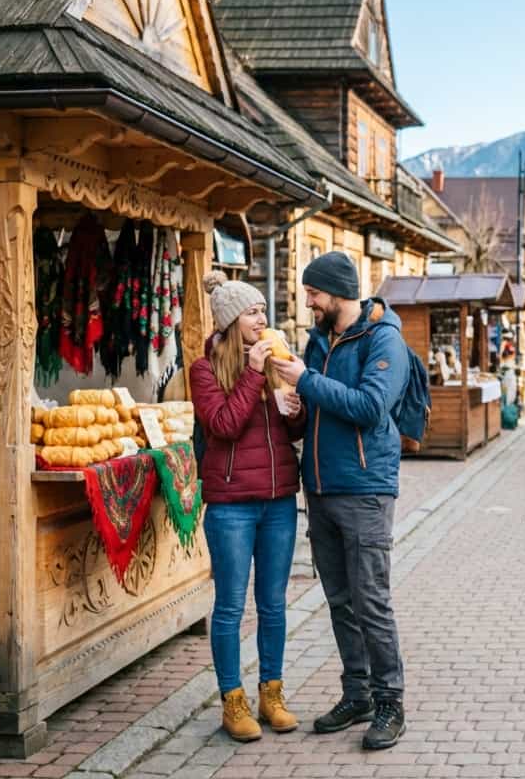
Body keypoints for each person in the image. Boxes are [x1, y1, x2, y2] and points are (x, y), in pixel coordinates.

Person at [270, 251, 410, 751]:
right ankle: (358, 694)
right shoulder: (317, 342)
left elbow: (371, 408)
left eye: (313, 293)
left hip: (367, 488)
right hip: (322, 489)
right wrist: (292, 409)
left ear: (337, 292)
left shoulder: (382, 338)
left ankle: (390, 700)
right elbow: (313, 414)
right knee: (340, 602)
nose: (307, 301)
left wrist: (304, 381)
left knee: (371, 600)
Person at [189, 272, 305, 743]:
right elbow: (222, 425)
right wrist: (254, 376)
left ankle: (271, 694)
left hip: (278, 502)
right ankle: (232, 701)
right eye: (253, 312)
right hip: (232, 506)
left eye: (263, 310)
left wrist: (295, 410)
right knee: (231, 606)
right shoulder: (204, 370)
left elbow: (287, 436)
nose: (263, 319)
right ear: (231, 321)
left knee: (274, 604)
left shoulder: (276, 361)